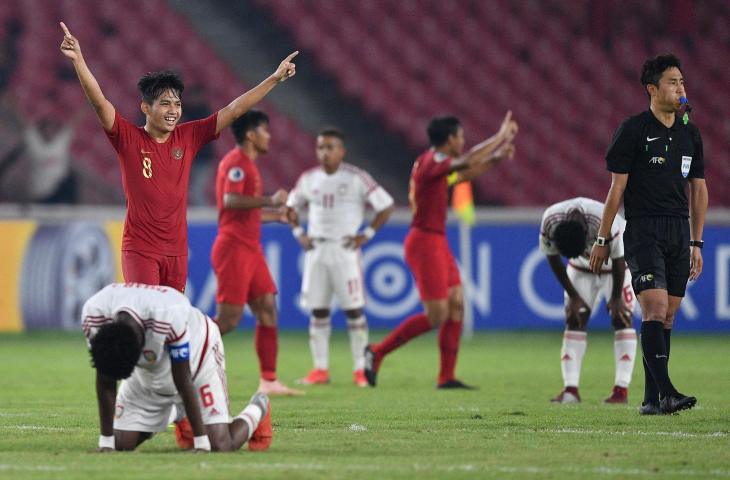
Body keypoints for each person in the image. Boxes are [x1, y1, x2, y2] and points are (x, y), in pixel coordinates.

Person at [59, 21, 298, 292]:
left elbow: (233, 110)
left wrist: (274, 78)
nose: (173, 110)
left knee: (171, 328)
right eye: (165, 103)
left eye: (177, 104)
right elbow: (99, 101)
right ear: (146, 108)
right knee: (148, 318)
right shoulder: (128, 138)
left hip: (177, 253)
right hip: (141, 250)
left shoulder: (189, 136)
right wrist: (79, 60)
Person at [364, 112, 518, 389]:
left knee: (457, 302)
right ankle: (377, 352)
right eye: (459, 136)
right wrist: (500, 137)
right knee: (436, 314)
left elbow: (465, 173)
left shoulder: (434, 165)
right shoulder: (432, 161)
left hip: (436, 239)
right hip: (424, 242)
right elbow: (468, 160)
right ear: (449, 140)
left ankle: (446, 376)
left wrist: (496, 158)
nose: (462, 140)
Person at [590, 53, 707, 415]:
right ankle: (668, 391)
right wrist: (603, 238)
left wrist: (697, 242)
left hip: (678, 231)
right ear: (652, 89)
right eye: (673, 82)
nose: (680, 88)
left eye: (682, 82)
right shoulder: (634, 130)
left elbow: (699, 189)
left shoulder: (690, 132)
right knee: (654, 308)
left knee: (668, 315)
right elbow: (616, 191)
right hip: (642, 228)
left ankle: (651, 399)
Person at [82, 283, 272, 452]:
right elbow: (105, 378)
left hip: (198, 352)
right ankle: (176, 414)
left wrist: (201, 442)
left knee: (220, 445)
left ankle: (258, 408)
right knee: (120, 444)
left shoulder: (169, 314)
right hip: (150, 366)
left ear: (140, 348)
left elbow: (183, 378)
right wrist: (106, 443)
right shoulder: (95, 314)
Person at [285, 127, 394, 387]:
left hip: (344, 250)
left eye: (330, 147)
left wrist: (365, 234)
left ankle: (359, 370)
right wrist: (299, 232)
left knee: (354, 311)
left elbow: (386, 205)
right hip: (317, 250)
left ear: (342, 151)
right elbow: (290, 207)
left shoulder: (356, 177)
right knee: (318, 310)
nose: (325, 152)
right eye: (321, 147)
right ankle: (320, 369)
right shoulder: (309, 178)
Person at [211, 110, 302, 396]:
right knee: (228, 320)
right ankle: (180, 353)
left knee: (266, 307)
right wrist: (270, 199)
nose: (269, 136)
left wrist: (276, 215)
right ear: (251, 134)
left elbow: (246, 211)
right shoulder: (237, 163)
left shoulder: (248, 164)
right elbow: (231, 200)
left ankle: (269, 380)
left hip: (250, 248)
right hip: (234, 248)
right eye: (265, 130)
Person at [540, 197, 637, 404]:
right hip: (580, 270)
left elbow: (620, 259)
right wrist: (574, 296)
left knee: (622, 317)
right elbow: (552, 258)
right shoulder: (549, 219)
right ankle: (570, 390)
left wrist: (616, 297)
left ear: (586, 235)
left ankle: (621, 390)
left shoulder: (606, 221)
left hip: (617, 268)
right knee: (574, 318)